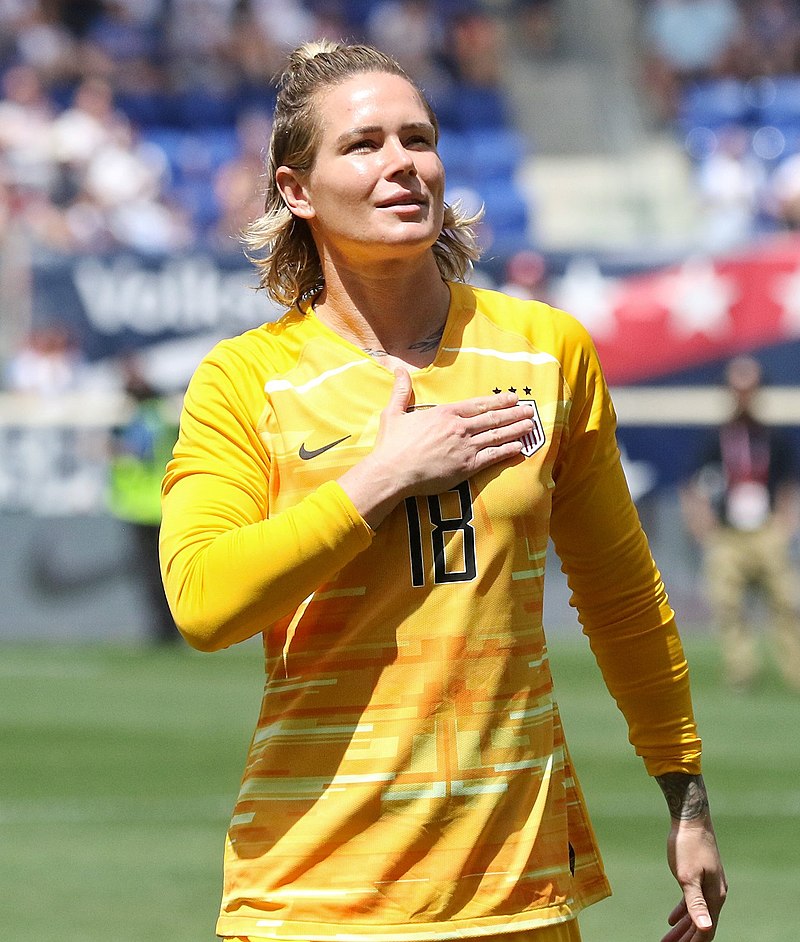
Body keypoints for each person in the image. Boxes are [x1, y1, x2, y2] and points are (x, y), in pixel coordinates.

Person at [159, 40, 726, 942]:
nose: (401, 164)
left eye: (416, 138)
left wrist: (685, 796)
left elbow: (622, 597)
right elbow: (202, 602)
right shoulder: (244, 380)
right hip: (316, 899)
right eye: (364, 144)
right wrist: (380, 478)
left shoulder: (546, 351)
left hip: (522, 897)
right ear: (296, 190)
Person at [681, 355, 800, 692]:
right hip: (728, 534)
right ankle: (741, 672)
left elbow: (789, 483)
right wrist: (703, 527)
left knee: (785, 603)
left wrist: (785, 523)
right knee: (728, 605)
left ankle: (795, 673)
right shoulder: (715, 439)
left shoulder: (773, 438)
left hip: (766, 531)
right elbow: (693, 485)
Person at [109, 357, 180, 645]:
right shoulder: (163, 415)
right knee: (167, 571)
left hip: (142, 506)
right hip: (162, 502)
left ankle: (163, 631)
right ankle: (171, 627)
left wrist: (110, 447)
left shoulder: (140, 418)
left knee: (151, 573)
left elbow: (132, 452)